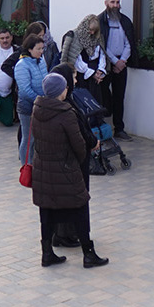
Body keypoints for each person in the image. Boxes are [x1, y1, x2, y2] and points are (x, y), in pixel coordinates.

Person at [31, 72, 108, 268]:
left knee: (46, 212)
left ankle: (47, 253)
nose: (68, 89)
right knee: (80, 207)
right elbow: (80, 146)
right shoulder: (66, 113)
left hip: (42, 168)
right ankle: (88, 254)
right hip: (65, 168)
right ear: (59, 91)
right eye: (65, 87)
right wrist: (75, 162)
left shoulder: (37, 109)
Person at [49, 62, 98, 250]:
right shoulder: (66, 106)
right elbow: (78, 132)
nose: (76, 81)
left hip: (65, 161)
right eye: (74, 77)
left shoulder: (57, 103)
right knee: (73, 198)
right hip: (73, 161)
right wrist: (92, 143)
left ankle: (63, 233)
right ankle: (67, 234)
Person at [98, 0, 137, 140]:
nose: (115, 5)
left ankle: (119, 128)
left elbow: (129, 43)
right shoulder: (100, 21)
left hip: (121, 65)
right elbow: (102, 45)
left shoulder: (125, 21)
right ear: (106, 3)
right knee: (102, 96)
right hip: (106, 64)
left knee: (119, 97)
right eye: (112, 2)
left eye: (117, 2)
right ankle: (101, 127)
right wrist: (114, 61)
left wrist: (122, 61)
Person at [15, 34, 48, 165]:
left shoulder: (41, 61)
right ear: (29, 49)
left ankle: (35, 164)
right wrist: (40, 100)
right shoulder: (22, 65)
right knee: (28, 138)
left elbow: (46, 80)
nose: (41, 51)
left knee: (39, 138)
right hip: (28, 106)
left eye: (42, 48)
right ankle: (26, 167)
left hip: (42, 104)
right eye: (38, 49)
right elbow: (24, 89)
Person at [61, 15, 106, 102]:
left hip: (95, 75)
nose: (92, 33)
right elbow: (76, 60)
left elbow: (102, 55)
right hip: (81, 76)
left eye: (94, 30)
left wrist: (100, 70)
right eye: (90, 30)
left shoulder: (98, 38)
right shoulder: (74, 36)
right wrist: (91, 73)